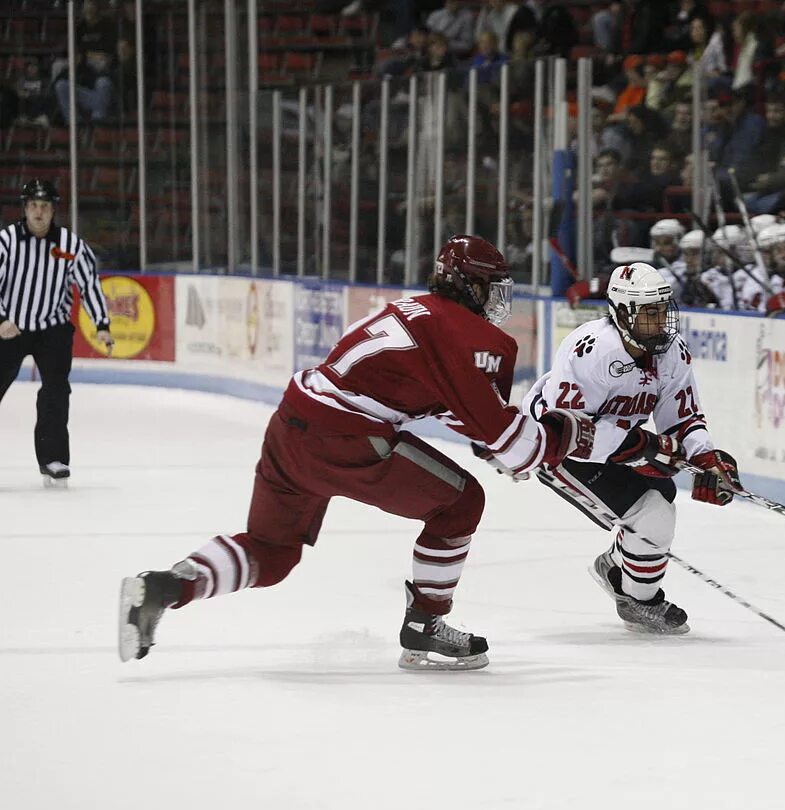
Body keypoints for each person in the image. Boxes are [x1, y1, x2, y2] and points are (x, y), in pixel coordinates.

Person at [117, 236, 595, 671]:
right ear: (469, 286)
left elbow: (452, 405)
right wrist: (565, 434)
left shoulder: (413, 311)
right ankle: (426, 625)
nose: (496, 300)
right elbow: (519, 449)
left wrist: (495, 439)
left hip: (292, 423)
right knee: (461, 502)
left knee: (272, 553)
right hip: (347, 437)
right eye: (492, 288)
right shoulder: (471, 337)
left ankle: (166, 586)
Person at [523, 262, 741, 634]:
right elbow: (568, 430)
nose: (661, 322)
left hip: (612, 444)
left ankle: (615, 565)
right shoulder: (591, 350)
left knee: (662, 492)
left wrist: (706, 459)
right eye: (650, 313)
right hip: (556, 449)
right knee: (652, 516)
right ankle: (638, 600)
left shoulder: (672, 352)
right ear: (622, 312)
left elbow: (683, 417)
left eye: (664, 310)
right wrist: (643, 446)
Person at [0, 179, 113, 487]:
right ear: (24, 209)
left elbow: (89, 284)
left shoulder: (70, 245)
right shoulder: (6, 241)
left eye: (45, 206)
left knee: (56, 392)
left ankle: (53, 459)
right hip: (9, 328)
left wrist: (101, 325)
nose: (39, 212)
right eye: (34, 206)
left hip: (53, 329)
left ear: (53, 210)